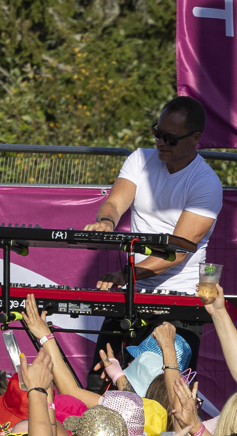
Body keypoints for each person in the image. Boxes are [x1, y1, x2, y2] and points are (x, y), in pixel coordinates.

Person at [83, 94, 224, 293]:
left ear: (195, 138)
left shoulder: (206, 183)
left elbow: (177, 252)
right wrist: (106, 221)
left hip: (181, 292)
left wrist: (125, 275)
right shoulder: (139, 159)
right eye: (157, 133)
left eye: (171, 139)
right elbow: (114, 203)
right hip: (133, 284)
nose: (161, 142)